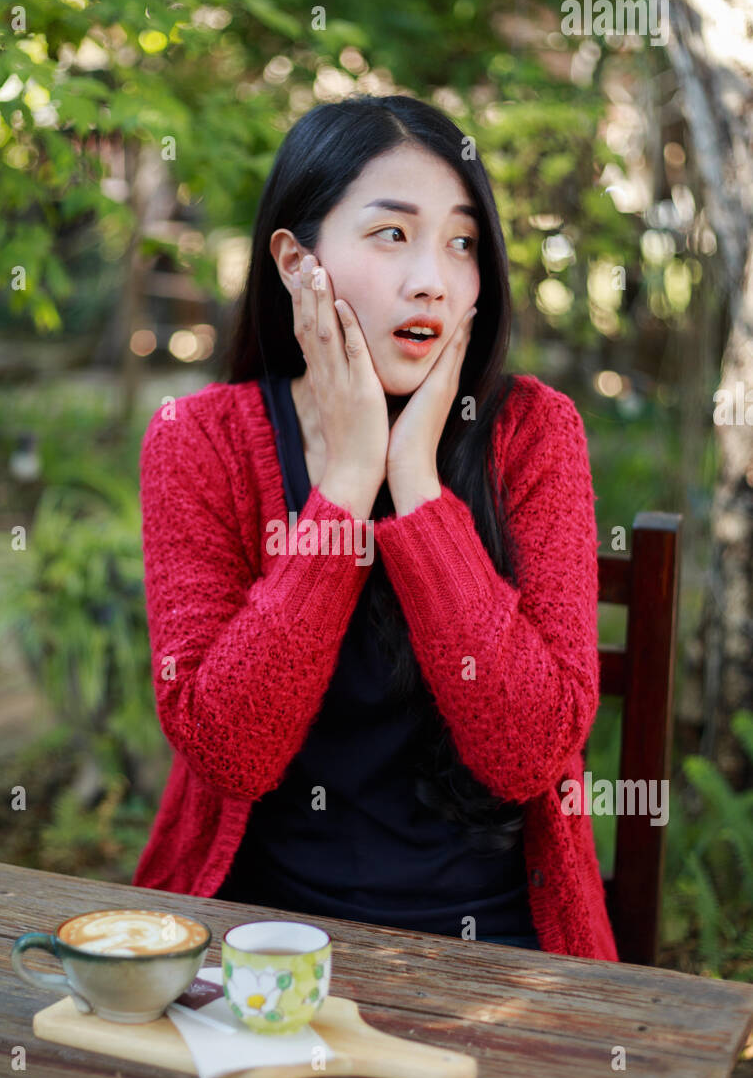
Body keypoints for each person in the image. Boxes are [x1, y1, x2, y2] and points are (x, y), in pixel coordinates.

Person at [132, 94, 619, 962]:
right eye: (392, 234)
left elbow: (530, 755)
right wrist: (349, 483)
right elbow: (228, 752)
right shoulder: (198, 443)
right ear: (296, 261)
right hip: (257, 942)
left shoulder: (533, 435)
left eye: (462, 241)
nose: (432, 276)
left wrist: (418, 489)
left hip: (497, 942)